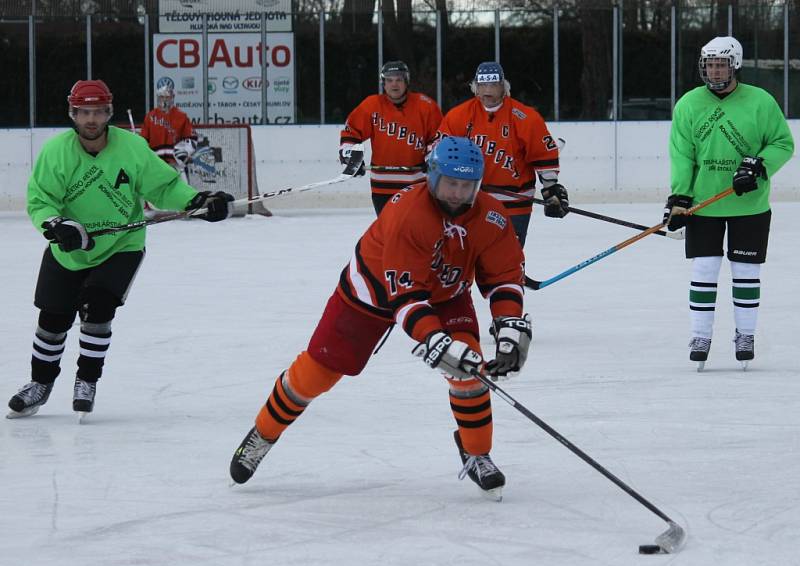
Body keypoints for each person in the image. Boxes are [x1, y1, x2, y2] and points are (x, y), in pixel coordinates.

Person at [230, 137, 531, 500]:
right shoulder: (408, 213)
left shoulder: (492, 217)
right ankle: (263, 433)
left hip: (445, 293)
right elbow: (405, 297)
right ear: (433, 177)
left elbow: (503, 279)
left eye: (466, 185)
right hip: (369, 293)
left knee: (469, 369)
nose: (457, 193)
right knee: (315, 375)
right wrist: (434, 339)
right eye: (451, 182)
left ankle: (478, 453)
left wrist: (510, 328)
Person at [7, 79, 233, 420]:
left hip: (121, 245)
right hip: (70, 248)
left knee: (97, 306)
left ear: (109, 112)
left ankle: (86, 380)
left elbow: (164, 185)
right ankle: (40, 384)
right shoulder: (56, 153)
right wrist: (55, 225)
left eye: (98, 112)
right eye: (84, 113)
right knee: (52, 320)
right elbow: (41, 200)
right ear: (73, 114)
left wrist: (198, 201)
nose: (92, 120)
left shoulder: (131, 148)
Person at [663, 36, 794, 370]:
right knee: (704, 270)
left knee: (746, 271)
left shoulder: (760, 101)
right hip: (704, 205)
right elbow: (682, 155)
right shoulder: (689, 104)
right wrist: (679, 197)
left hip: (749, 205)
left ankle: (745, 334)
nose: (714, 70)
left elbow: (782, 142)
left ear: (734, 65)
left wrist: (758, 166)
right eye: (709, 64)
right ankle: (700, 335)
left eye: (720, 63)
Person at [435, 61, 568, 248]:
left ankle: (511, 276)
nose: (487, 90)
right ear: (475, 87)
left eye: (493, 85)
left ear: (503, 87)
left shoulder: (525, 117)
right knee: (467, 254)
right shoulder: (458, 116)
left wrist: (550, 189)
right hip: (472, 199)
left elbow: (542, 155)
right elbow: (440, 153)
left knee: (508, 255)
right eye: (482, 85)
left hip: (515, 200)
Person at [339, 60, 443, 216]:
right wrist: (353, 159)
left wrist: (432, 158)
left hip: (416, 184)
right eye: (389, 80)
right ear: (384, 83)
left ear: (406, 81)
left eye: (399, 79)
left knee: (415, 231)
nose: (394, 85)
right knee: (388, 233)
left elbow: (438, 138)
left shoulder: (426, 106)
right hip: (382, 186)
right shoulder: (371, 105)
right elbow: (351, 133)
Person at [140, 83, 197, 180]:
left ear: (173, 97)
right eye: (162, 97)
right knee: (156, 194)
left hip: (177, 166)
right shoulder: (150, 117)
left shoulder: (181, 116)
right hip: (156, 166)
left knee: (182, 193)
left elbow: (191, 139)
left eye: (167, 97)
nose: (164, 100)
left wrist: (182, 155)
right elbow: (143, 140)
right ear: (157, 98)